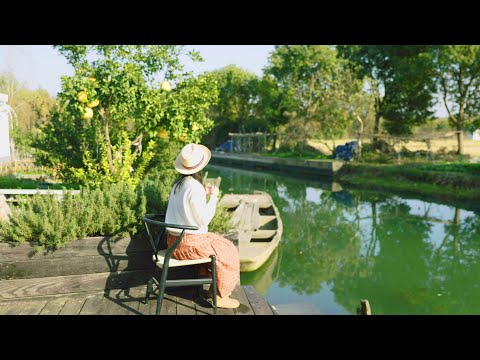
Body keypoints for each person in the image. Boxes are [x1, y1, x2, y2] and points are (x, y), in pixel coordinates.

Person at [165, 143, 240, 309]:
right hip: (188, 245)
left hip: (173, 242)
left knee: (221, 244)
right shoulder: (194, 187)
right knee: (229, 252)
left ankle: (214, 289)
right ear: (201, 165)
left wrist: (203, 194)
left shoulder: (178, 185)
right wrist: (213, 197)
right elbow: (204, 220)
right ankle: (221, 295)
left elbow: (188, 207)